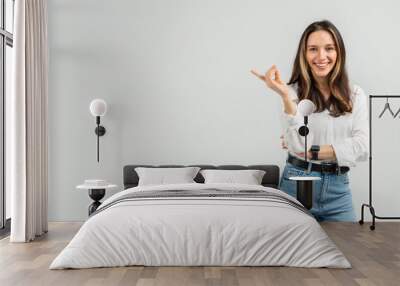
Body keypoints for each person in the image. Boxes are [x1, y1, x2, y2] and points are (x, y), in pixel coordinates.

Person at [251, 20, 368, 221]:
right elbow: (297, 145)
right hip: (297, 183)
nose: (321, 56)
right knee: (290, 252)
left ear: (339, 52)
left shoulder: (355, 95)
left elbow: (362, 147)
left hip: (338, 190)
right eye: (313, 49)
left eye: (329, 48)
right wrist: (285, 96)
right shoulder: (291, 93)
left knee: (346, 249)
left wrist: (311, 150)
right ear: (304, 55)